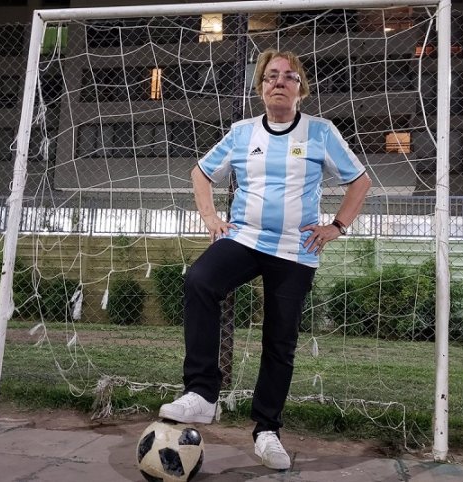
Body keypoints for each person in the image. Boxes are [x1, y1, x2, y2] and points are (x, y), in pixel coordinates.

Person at [159, 49, 371, 470]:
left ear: (300, 88)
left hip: (296, 250)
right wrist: (210, 217)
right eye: (272, 75)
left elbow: (360, 181)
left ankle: (267, 431)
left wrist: (337, 226)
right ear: (260, 87)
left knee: (280, 338)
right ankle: (202, 394)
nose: (280, 81)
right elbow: (200, 174)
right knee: (201, 279)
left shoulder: (320, 132)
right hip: (245, 239)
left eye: (289, 76)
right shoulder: (241, 132)